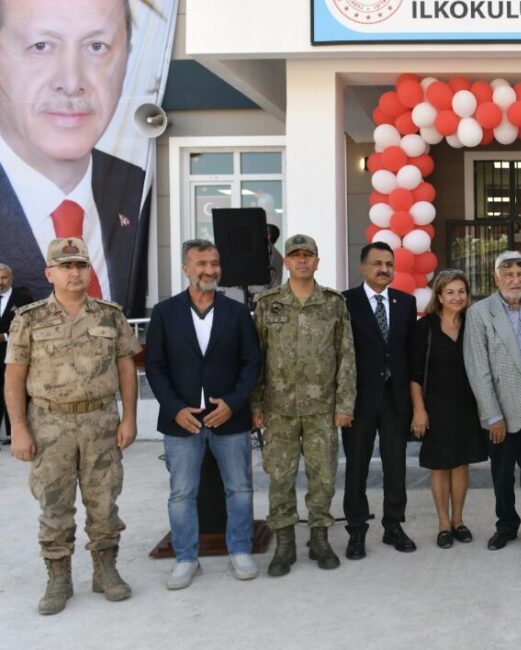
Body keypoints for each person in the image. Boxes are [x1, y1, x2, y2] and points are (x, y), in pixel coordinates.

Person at [5, 237, 141, 615]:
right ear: (50, 273)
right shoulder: (29, 319)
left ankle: (105, 570)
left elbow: (126, 367)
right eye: (65, 266)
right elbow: (14, 376)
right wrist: (18, 427)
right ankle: (58, 577)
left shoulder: (109, 315)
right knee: (54, 505)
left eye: (80, 265)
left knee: (104, 502)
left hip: (100, 421)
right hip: (49, 424)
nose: (74, 272)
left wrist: (129, 416)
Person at [0, 0, 150, 311]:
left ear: (127, 56)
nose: (71, 83)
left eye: (97, 46)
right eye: (41, 45)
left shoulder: (139, 190)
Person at [144, 239, 263, 589]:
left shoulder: (238, 313)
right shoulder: (165, 312)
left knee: (239, 488)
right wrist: (174, 408)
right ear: (186, 269)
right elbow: (155, 366)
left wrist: (233, 403)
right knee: (182, 492)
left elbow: (252, 363)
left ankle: (239, 549)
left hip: (229, 418)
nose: (209, 270)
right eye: (201, 263)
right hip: (182, 422)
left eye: (214, 263)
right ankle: (185, 557)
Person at [251, 234, 356, 576]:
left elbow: (346, 356)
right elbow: (256, 357)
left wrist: (345, 404)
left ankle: (320, 537)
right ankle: (284, 544)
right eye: (295, 256)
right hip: (278, 409)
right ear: (286, 262)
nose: (301, 261)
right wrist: (255, 404)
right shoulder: (268, 303)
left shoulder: (333, 303)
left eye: (307, 256)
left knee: (322, 476)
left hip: (322, 409)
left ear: (317, 261)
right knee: (280, 477)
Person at [464, 250, 521, 558]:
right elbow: (478, 368)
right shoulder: (479, 312)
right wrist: (492, 416)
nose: (515, 279)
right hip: (502, 413)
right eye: (508, 274)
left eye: (520, 273)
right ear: (496, 276)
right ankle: (505, 526)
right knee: (502, 478)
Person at [342, 242, 417, 557]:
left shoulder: (406, 302)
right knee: (356, 467)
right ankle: (356, 530)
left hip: (396, 400)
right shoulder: (345, 302)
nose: (383, 268)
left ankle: (393, 526)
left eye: (388, 263)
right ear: (363, 266)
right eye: (376, 263)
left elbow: (410, 352)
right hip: (358, 400)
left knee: (396, 467)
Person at [409, 269, 489, 548]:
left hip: (468, 406)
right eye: (451, 292)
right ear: (440, 296)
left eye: (462, 291)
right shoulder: (424, 328)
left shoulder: (474, 324)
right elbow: (415, 375)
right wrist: (419, 410)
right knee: (440, 465)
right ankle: (443, 523)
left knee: (461, 464)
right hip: (436, 407)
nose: (457, 297)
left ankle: (459, 520)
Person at [1, 261, 33, 442]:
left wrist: (4, 337)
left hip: (14, 353)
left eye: (4, 278)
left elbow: (29, 325)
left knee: (15, 392)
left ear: (11, 278)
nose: (0, 282)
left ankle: (16, 433)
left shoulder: (23, 298)